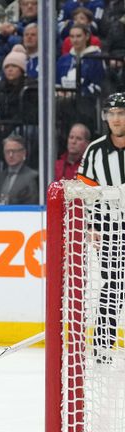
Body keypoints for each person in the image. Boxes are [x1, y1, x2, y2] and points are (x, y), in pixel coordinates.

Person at [76, 92, 125, 363]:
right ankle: (103, 344)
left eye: (121, 113)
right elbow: (84, 190)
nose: (116, 119)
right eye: (112, 113)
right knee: (113, 282)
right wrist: (90, 225)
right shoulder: (95, 150)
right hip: (108, 226)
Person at [0, 134, 38, 205]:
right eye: (7, 151)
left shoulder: (32, 177)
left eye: (14, 151)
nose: (10, 155)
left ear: (23, 153)